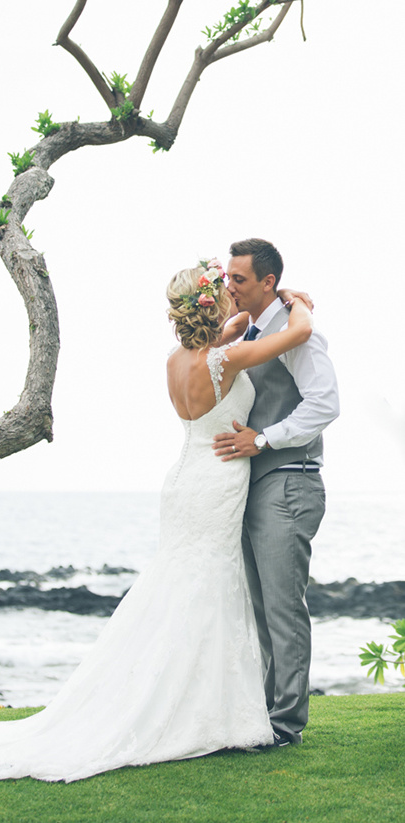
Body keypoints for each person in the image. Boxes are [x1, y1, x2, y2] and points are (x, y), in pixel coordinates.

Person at [0, 261, 313, 783]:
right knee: (208, 587)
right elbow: (298, 332)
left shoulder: (178, 360)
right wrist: (294, 299)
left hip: (185, 479)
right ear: (212, 304)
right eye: (223, 292)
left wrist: (242, 315)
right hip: (215, 479)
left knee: (183, 587)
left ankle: (198, 704)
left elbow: (226, 336)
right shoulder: (228, 359)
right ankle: (208, 713)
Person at [213, 238, 339, 747]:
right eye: (226, 279)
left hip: (291, 481)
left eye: (238, 280)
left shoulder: (297, 335)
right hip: (258, 486)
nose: (230, 288)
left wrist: (263, 438)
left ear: (268, 282)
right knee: (265, 610)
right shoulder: (254, 331)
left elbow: (325, 404)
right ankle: (269, 714)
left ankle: (286, 725)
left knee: (284, 609)